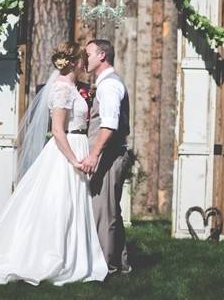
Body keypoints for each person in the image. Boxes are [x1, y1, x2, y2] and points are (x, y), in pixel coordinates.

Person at [0, 41, 108, 285]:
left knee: (71, 205)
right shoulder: (62, 89)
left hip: (76, 144)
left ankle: (72, 255)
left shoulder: (70, 86)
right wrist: (74, 160)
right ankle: (48, 256)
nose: (85, 63)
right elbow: (57, 130)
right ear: (75, 62)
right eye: (83, 59)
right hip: (66, 151)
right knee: (59, 204)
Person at [83, 39, 132, 274]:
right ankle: (120, 265)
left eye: (89, 54)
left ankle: (105, 268)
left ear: (102, 55)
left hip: (109, 155)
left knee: (104, 212)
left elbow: (109, 125)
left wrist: (93, 155)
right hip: (110, 153)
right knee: (111, 210)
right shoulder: (105, 83)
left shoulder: (109, 86)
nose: (85, 58)